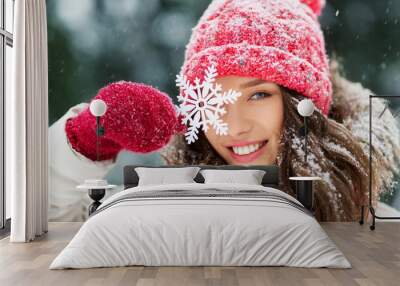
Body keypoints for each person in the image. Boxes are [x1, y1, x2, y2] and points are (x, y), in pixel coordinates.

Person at [49, 0, 400, 221]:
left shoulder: (371, 226)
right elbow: (53, 223)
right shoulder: (170, 214)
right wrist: (86, 138)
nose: (233, 126)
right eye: (214, 99)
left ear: (304, 104)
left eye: (258, 95)